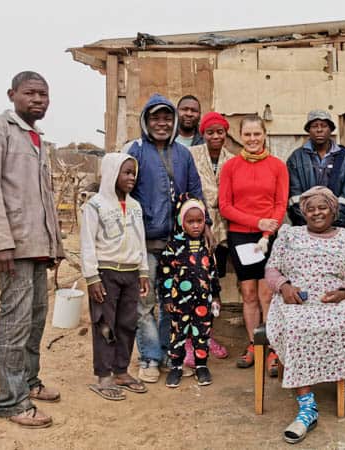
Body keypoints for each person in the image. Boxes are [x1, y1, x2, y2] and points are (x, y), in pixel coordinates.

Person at [0, 71, 64, 427]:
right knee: (15, 322)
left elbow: (43, 198)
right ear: (12, 94)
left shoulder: (36, 138)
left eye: (44, 94)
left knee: (36, 320)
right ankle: (11, 401)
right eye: (31, 93)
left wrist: (56, 245)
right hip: (12, 247)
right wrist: (0, 244)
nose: (38, 100)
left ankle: (29, 382)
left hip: (36, 246)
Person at [265, 186, 345, 444]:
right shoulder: (289, 235)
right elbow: (272, 269)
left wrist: (344, 292)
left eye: (322, 208)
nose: (316, 213)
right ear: (303, 213)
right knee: (299, 327)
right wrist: (285, 287)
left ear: (333, 211)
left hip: (336, 297)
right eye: (310, 209)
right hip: (297, 298)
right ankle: (307, 406)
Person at [124, 93, 209, 383]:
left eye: (166, 117)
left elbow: (195, 192)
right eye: (155, 117)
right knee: (145, 303)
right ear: (146, 120)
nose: (161, 123)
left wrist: (203, 223)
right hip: (144, 241)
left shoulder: (183, 155)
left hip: (178, 244)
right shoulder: (134, 151)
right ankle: (149, 357)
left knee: (173, 300)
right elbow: (123, 194)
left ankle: (166, 352)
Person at [219, 115, 289, 373]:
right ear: (240, 136)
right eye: (247, 135)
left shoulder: (277, 166)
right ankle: (253, 344)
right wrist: (255, 222)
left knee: (267, 294)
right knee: (248, 294)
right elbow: (225, 206)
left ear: (264, 135)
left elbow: (280, 203)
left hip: (269, 236)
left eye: (256, 134)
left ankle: (271, 347)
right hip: (242, 237)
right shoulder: (231, 167)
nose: (252, 139)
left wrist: (268, 228)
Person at [81, 153, 150, 400]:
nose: (132, 177)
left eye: (134, 173)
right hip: (105, 274)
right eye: (126, 172)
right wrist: (92, 277)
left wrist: (143, 271)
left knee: (127, 324)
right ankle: (104, 375)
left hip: (131, 273)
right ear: (112, 173)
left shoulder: (135, 206)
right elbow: (87, 243)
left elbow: (140, 240)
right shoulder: (95, 205)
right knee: (105, 326)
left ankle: (121, 370)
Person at [159, 195, 221, 388]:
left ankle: (201, 366)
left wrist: (216, 295)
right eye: (190, 221)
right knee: (177, 334)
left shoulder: (207, 245)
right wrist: (167, 297)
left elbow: (213, 272)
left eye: (199, 221)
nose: (196, 225)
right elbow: (166, 274)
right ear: (181, 222)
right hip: (180, 302)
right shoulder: (173, 246)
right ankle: (176, 367)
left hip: (203, 301)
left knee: (202, 334)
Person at [189, 111, 235, 360]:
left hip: (223, 231)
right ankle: (191, 338)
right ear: (203, 134)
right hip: (196, 228)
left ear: (226, 134)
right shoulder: (192, 155)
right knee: (195, 283)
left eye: (220, 132)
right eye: (210, 132)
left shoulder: (233, 160)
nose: (215, 136)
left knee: (213, 283)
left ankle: (207, 334)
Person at [286, 110, 345, 229]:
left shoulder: (344, 158)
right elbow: (294, 197)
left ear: (331, 129)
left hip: (337, 229)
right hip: (305, 229)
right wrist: (314, 223)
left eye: (324, 126)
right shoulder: (296, 158)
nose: (319, 130)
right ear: (308, 130)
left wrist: (329, 224)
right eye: (314, 126)